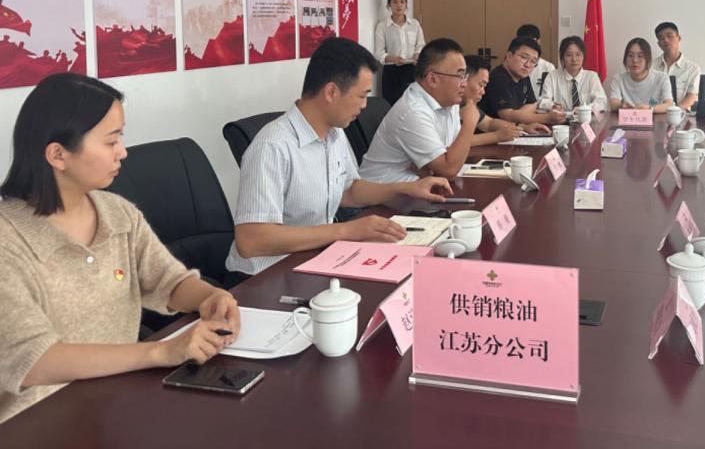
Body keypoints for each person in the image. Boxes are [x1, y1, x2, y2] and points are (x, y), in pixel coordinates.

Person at [0, 73, 242, 423]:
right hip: (35, 424)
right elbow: (33, 361)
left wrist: (210, 296)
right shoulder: (8, 238)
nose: (123, 152)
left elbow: (169, 281)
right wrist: (160, 352)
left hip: (118, 406)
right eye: (111, 141)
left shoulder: (117, 213)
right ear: (58, 154)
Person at [227, 38, 452, 275]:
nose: (364, 106)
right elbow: (252, 240)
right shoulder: (272, 146)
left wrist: (405, 188)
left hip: (313, 260)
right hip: (266, 275)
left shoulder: (334, 133)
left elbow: (349, 191)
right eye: (362, 96)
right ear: (331, 92)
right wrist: (345, 231)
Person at [359, 38, 480, 183]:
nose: (464, 83)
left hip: (417, 186)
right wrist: (470, 123)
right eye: (459, 76)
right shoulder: (413, 111)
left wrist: (438, 166)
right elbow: (448, 170)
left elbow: (452, 153)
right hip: (382, 191)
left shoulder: (449, 101)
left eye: (465, 76)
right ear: (433, 79)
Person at [479, 37, 565, 129]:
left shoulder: (523, 76)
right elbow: (506, 115)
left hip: (514, 129)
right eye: (524, 57)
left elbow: (533, 105)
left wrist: (516, 115)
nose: (527, 65)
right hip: (493, 132)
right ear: (509, 56)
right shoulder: (499, 78)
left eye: (533, 61)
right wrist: (547, 118)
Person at [462, 56, 545, 146]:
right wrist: (496, 136)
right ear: (464, 79)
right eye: (480, 85)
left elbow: (489, 123)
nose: (483, 92)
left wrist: (522, 128)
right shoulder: (451, 104)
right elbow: (454, 142)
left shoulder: (467, 104)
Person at [373, 0, 426, 105]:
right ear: (389, 5)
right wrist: (392, 59)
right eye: (395, 2)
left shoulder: (415, 24)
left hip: (412, 69)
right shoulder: (382, 26)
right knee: (392, 104)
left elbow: (420, 45)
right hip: (391, 71)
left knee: (413, 104)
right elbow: (379, 53)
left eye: (402, 2)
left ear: (406, 4)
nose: (399, 5)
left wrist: (417, 54)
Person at [540, 35, 608, 114]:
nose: (574, 59)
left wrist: (584, 109)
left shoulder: (591, 76)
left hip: (586, 119)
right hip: (559, 119)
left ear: (583, 56)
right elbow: (543, 101)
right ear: (562, 57)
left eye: (578, 54)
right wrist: (553, 106)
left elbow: (602, 102)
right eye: (569, 55)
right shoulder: (552, 76)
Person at [607, 37, 674, 112]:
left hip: (655, 118)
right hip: (628, 118)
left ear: (648, 58)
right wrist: (621, 105)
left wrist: (649, 109)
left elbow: (669, 105)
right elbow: (613, 104)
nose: (635, 60)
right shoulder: (618, 78)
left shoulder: (661, 78)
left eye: (640, 56)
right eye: (630, 55)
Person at [652, 22, 700, 108]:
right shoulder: (650, 66)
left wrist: (675, 112)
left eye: (669, 36)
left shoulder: (692, 68)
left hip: (681, 113)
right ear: (659, 44)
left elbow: (691, 96)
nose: (666, 40)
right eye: (661, 38)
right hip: (654, 113)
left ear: (679, 38)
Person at [516, 23, 556, 99]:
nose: (528, 45)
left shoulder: (548, 67)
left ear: (538, 42)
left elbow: (552, 96)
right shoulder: (514, 65)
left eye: (531, 41)